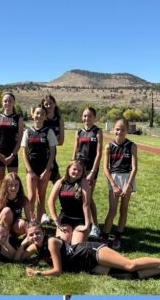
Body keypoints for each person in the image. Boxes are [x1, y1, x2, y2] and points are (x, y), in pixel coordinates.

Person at [25, 220, 160, 280]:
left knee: (129, 265)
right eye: (31, 234)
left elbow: (58, 270)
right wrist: (23, 243)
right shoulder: (35, 247)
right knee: (126, 276)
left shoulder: (50, 242)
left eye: (37, 233)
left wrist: (38, 273)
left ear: (44, 232)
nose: (35, 236)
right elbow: (17, 257)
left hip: (89, 251)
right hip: (86, 264)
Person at [102, 118, 137, 250]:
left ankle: (117, 237)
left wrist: (128, 185)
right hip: (114, 178)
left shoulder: (132, 146)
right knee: (112, 210)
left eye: (123, 129)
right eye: (117, 129)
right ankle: (105, 237)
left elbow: (134, 168)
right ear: (113, 129)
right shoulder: (109, 146)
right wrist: (113, 185)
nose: (119, 132)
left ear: (127, 130)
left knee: (124, 210)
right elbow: (106, 168)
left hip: (127, 179)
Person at [74, 106, 103, 238]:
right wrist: (72, 168)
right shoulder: (79, 132)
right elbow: (75, 152)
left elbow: (98, 153)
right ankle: (84, 222)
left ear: (94, 118)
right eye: (85, 116)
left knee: (88, 198)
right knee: (78, 196)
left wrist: (93, 171)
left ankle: (95, 226)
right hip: (79, 169)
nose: (87, 118)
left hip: (91, 169)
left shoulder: (97, 132)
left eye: (90, 116)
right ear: (82, 117)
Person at [50, 160, 91, 244]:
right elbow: (50, 201)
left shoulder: (83, 182)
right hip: (65, 219)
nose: (76, 172)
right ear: (68, 169)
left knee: (76, 246)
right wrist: (56, 220)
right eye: (74, 169)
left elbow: (86, 205)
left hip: (80, 220)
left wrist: (87, 225)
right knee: (63, 244)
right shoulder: (60, 182)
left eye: (80, 170)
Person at [0, 93, 23, 183]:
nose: (7, 103)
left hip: (12, 153)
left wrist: (13, 155)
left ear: (14, 103)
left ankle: (12, 197)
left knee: (13, 181)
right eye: (5, 101)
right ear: (2, 103)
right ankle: (2, 197)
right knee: (1, 181)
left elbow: (20, 139)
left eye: (10, 101)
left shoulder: (18, 118)